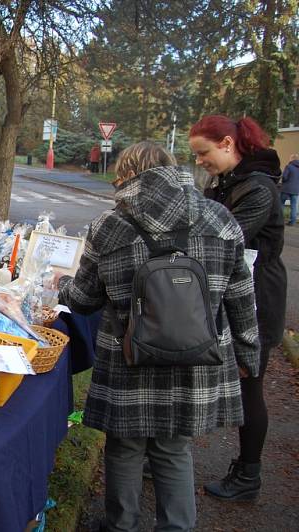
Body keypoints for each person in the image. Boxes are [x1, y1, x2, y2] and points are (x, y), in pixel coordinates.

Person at [58, 141, 259, 531]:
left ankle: (122, 525)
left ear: (128, 174)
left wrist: (61, 285)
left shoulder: (110, 225)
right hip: (197, 359)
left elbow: (83, 300)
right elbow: (241, 299)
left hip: (128, 356)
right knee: (174, 448)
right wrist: (249, 355)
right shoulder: (221, 220)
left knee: (125, 447)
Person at [189, 115, 286, 501]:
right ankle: (167, 454)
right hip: (229, 295)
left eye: (203, 153)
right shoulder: (227, 183)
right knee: (200, 374)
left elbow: (223, 240)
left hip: (257, 302)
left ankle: (248, 475)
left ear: (228, 144)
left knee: (250, 386)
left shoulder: (258, 189)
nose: (199, 162)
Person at [281, 153, 299, 226]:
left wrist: (283, 181)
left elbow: (284, 177)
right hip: (296, 190)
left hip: (286, 188)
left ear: (292, 159)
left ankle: (280, 220)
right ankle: (293, 222)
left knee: (282, 204)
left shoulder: (288, 166)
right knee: (293, 206)